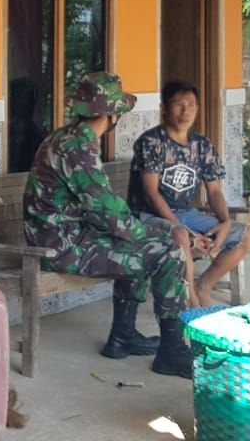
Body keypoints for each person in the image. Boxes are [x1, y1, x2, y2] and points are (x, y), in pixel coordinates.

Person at [24, 72, 194, 379]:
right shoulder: (77, 148)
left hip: (60, 237)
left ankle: (122, 337)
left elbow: (104, 211)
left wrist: (139, 231)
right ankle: (172, 352)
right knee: (168, 251)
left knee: (138, 243)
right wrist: (150, 232)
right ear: (113, 115)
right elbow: (109, 214)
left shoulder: (66, 138)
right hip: (60, 247)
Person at [128, 81, 250, 307]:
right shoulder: (151, 142)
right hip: (148, 216)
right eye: (178, 104)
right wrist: (187, 232)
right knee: (180, 237)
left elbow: (214, 191)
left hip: (187, 214)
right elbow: (151, 195)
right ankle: (194, 306)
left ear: (197, 108)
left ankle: (203, 286)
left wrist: (225, 223)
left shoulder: (202, 145)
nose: (185, 111)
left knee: (247, 235)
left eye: (191, 105)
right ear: (164, 108)